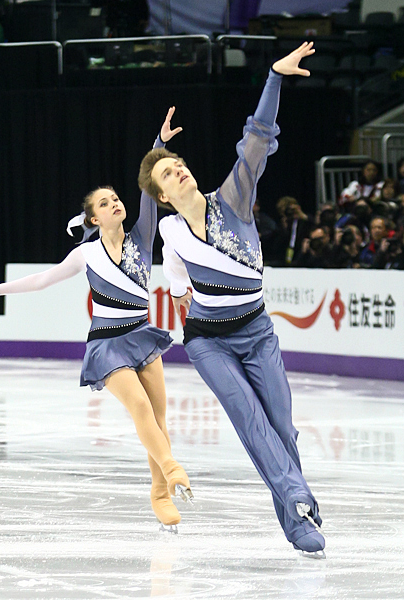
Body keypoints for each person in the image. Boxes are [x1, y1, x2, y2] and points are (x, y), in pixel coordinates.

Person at [138, 42, 326, 558]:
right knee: (249, 419)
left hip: (258, 333)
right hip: (209, 344)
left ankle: (296, 519)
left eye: (177, 163)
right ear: (160, 195)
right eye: (166, 173)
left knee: (281, 426)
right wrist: (154, 147)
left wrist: (273, 77)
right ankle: (299, 502)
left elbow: (256, 141)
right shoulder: (169, 232)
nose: (177, 169)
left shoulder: (234, 198)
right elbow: (176, 286)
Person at [0, 109, 193, 534]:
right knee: (140, 408)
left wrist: (158, 145)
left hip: (142, 336)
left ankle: (160, 494)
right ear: (94, 219)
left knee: (159, 417)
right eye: (105, 203)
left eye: (115, 198)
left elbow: (147, 191)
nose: (115, 203)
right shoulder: (84, 255)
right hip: (107, 344)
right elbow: (41, 280)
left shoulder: (143, 234)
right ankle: (173, 468)